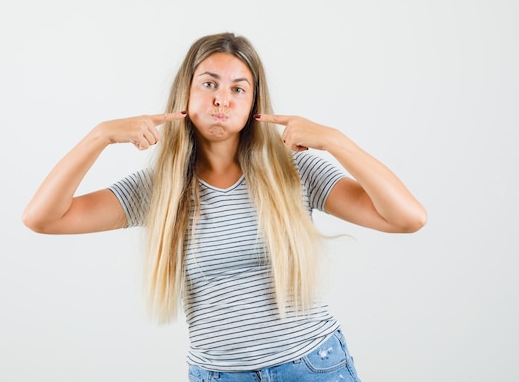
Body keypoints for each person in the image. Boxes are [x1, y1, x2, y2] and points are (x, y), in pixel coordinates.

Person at [22, 32, 427, 381]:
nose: (222, 100)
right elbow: (43, 218)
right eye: (209, 84)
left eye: (238, 89)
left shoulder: (294, 170)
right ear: (186, 93)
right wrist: (100, 135)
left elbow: (407, 218)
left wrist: (336, 141)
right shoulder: (160, 189)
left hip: (311, 367)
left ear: (254, 103)